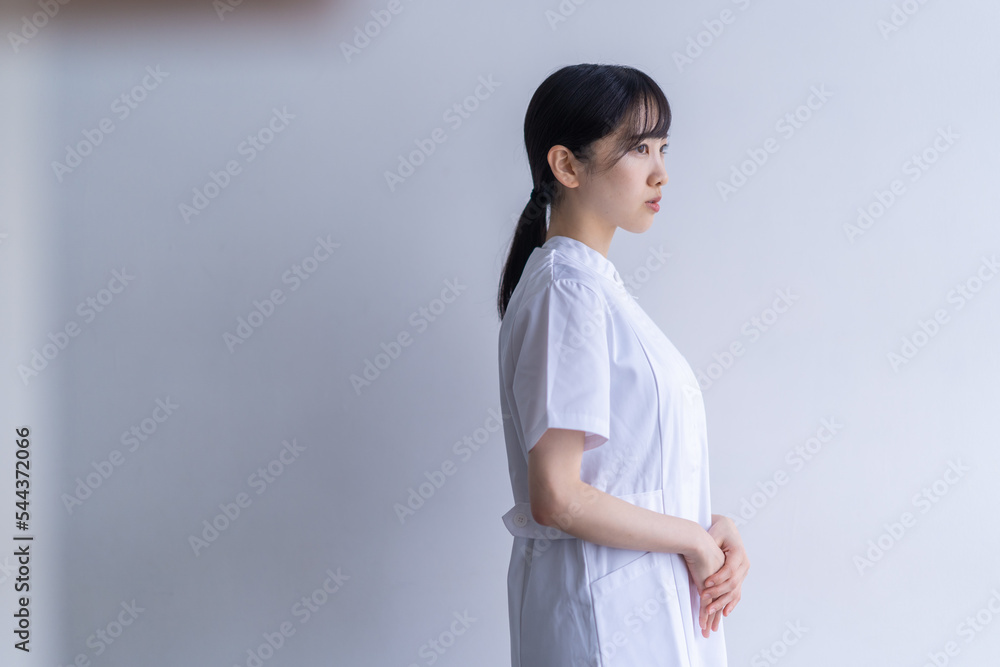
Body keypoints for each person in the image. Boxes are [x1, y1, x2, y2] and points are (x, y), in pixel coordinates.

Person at [495, 63, 750, 667]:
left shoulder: (591, 289)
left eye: (663, 147)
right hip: (605, 626)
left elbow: (624, 474)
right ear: (567, 165)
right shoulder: (568, 291)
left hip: (644, 614)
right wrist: (689, 539)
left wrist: (708, 525)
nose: (661, 172)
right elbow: (557, 495)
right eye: (638, 148)